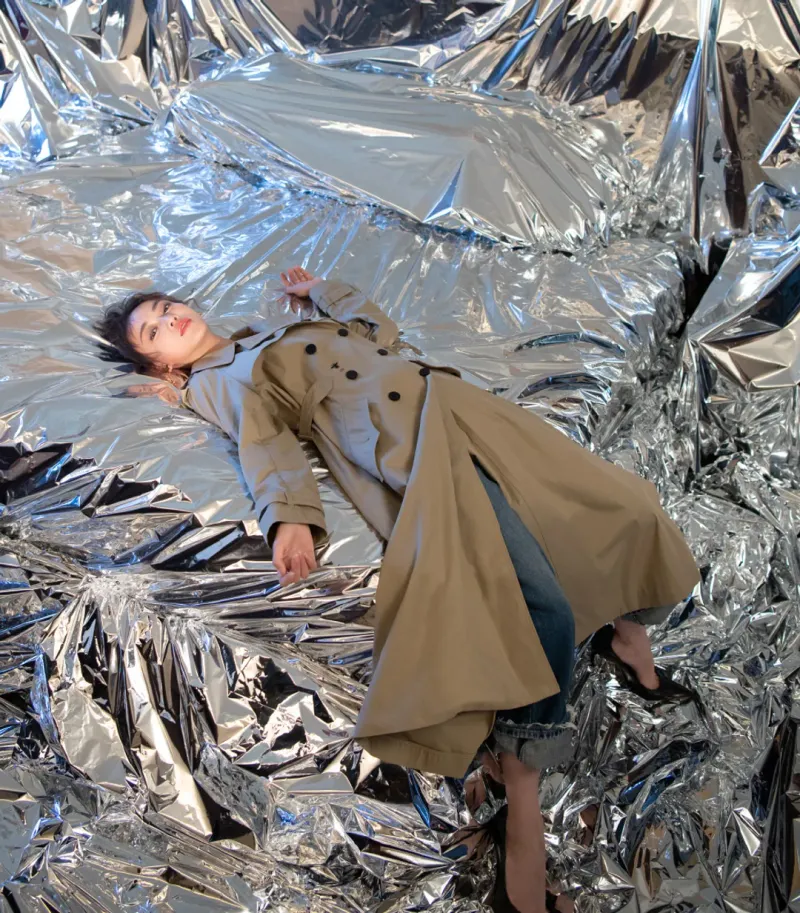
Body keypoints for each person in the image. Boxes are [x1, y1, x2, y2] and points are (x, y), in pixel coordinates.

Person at [95, 268, 700, 913]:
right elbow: (263, 440)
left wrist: (324, 291)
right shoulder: (216, 380)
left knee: (622, 506)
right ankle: (522, 792)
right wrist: (288, 518)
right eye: (153, 331)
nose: (170, 318)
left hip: (459, 408)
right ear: (160, 363)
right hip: (411, 444)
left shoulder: (266, 332)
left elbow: (377, 332)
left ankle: (625, 632)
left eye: (166, 307)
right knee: (539, 604)